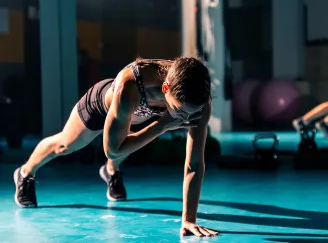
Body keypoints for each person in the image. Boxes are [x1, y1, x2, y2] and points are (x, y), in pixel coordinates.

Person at [13, 57, 219, 237]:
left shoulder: (198, 98)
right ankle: (25, 172)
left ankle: (110, 170)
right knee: (65, 145)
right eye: (180, 111)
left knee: (137, 139)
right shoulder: (130, 85)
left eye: (190, 113)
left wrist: (188, 220)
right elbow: (112, 150)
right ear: (166, 88)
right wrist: (163, 125)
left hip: (145, 117)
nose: (185, 118)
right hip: (101, 107)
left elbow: (194, 163)